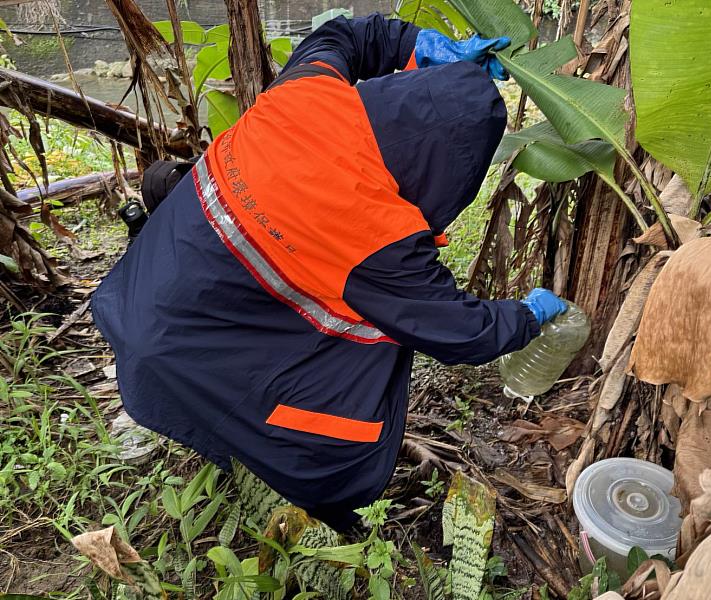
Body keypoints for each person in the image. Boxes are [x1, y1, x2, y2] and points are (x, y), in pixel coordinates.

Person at [92, 13, 567, 531]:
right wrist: (527, 316)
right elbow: (463, 332)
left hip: (134, 297)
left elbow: (341, 35)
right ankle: (309, 476)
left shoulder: (307, 90)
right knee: (380, 340)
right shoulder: (379, 235)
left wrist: (418, 44)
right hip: (181, 363)